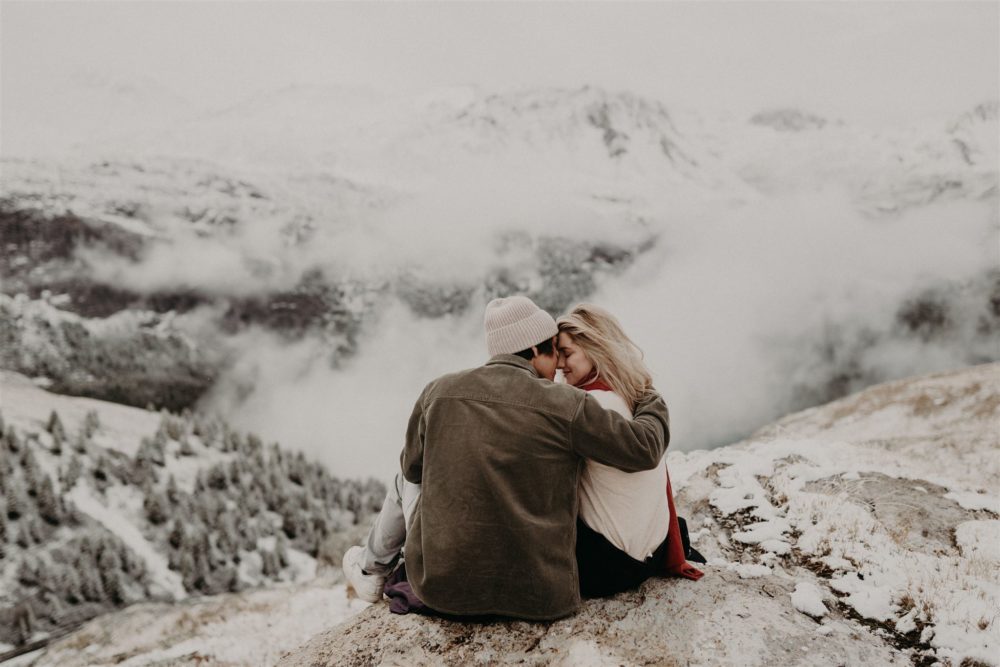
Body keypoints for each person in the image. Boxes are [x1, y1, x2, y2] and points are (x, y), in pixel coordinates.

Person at [343, 295, 670, 620]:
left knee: (404, 482)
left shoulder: (437, 391)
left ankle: (371, 571)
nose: (557, 364)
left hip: (443, 590)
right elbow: (643, 448)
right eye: (554, 351)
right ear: (533, 351)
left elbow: (413, 469)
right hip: (544, 597)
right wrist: (645, 392)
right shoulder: (567, 404)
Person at [556, 304, 704, 599]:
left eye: (567, 353)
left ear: (595, 348)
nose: (559, 364)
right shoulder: (629, 398)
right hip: (653, 553)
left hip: (610, 567)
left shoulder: (588, 406)